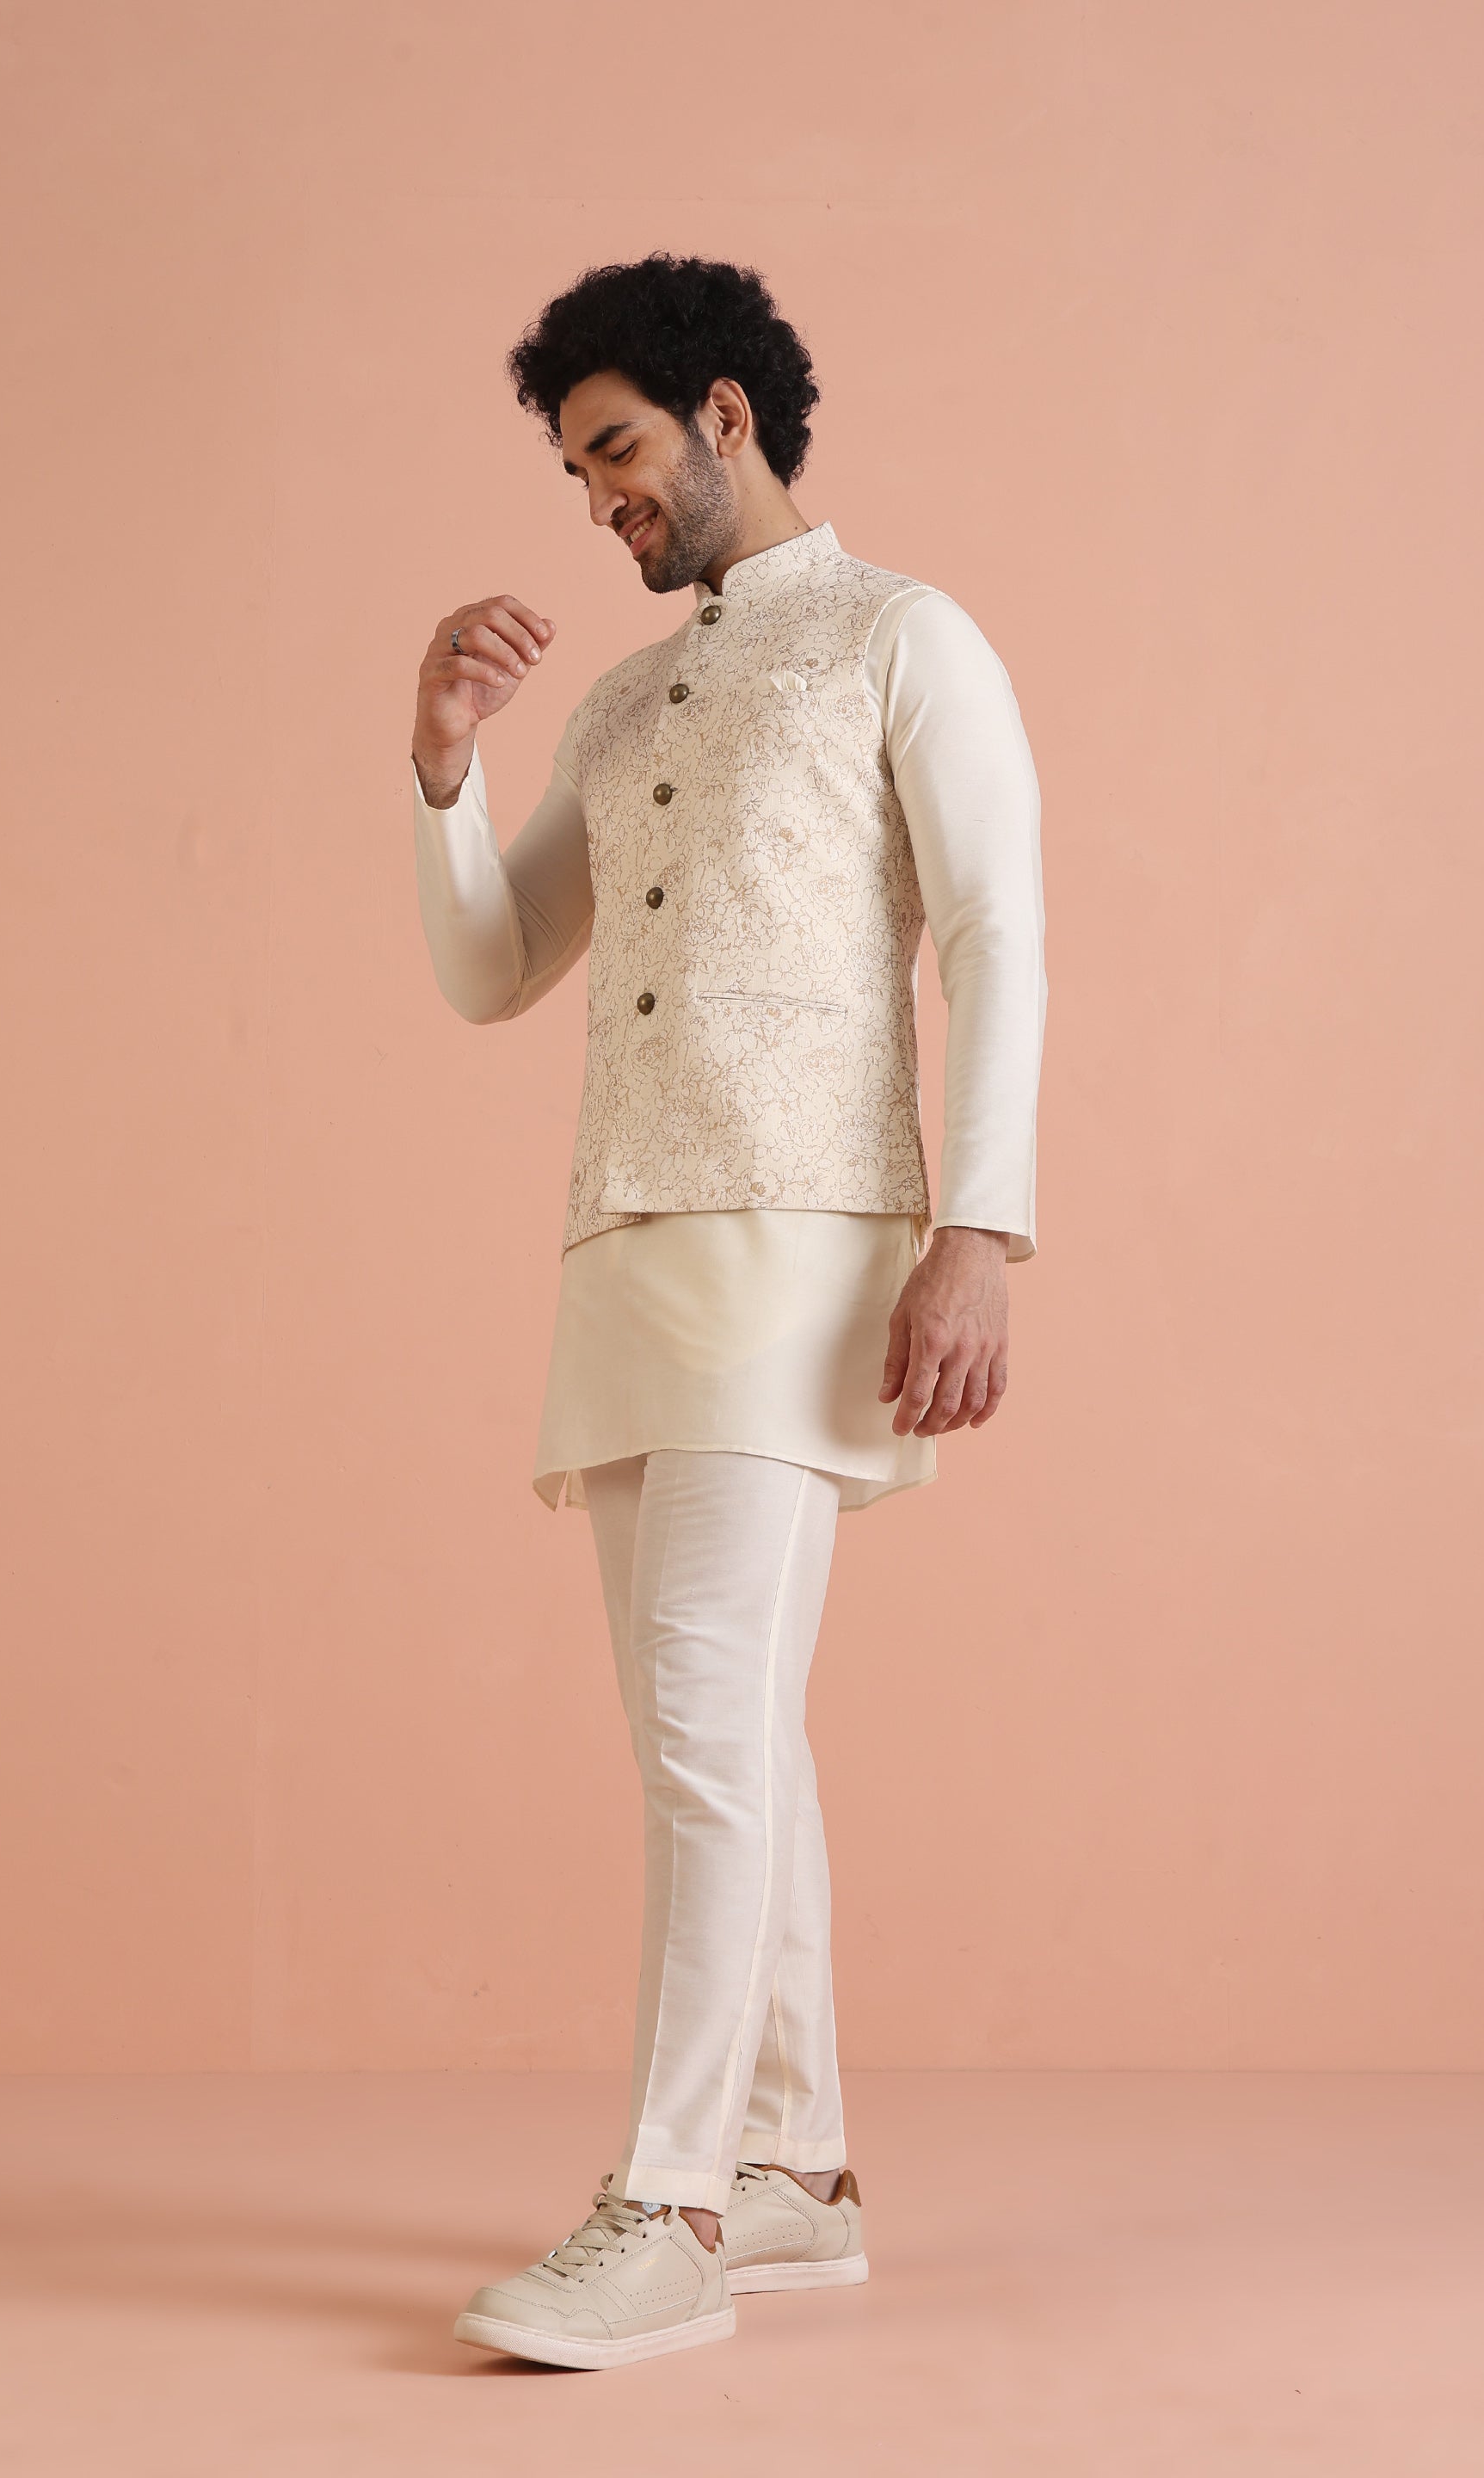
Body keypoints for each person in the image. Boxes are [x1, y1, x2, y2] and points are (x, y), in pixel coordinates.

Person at [410, 254, 1046, 2370]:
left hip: (804, 1249)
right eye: (575, 474)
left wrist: (985, 1228)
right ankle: (794, 2170)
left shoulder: (902, 635)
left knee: (701, 1719)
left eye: (617, 452)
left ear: (724, 416)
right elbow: (495, 969)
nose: (604, 502)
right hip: (627, 1257)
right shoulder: (620, 704)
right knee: (723, 1726)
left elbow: (998, 934)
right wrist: (442, 769)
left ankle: (670, 2201)